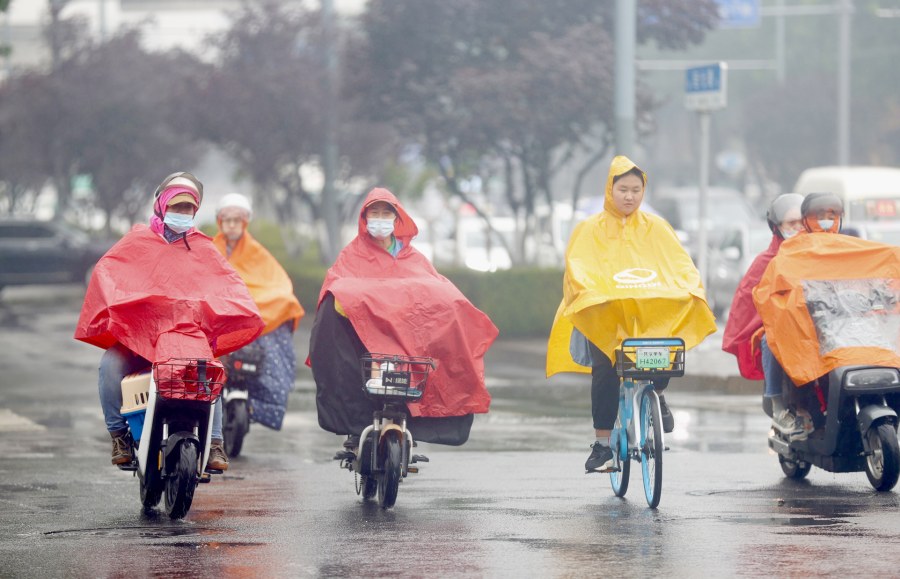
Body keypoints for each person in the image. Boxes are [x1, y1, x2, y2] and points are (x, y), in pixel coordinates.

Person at [75, 172, 264, 471]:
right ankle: (119, 436)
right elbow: (108, 272)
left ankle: (215, 443)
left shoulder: (203, 248)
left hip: (186, 343)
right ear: (161, 206)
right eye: (177, 207)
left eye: (188, 208)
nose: (182, 213)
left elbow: (227, 285)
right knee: (110, 365)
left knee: (212, 373)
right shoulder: (137, 242)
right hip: (140, 342)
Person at [546, 156, 717, 473]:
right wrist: (592, 294)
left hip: (649, 316)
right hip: (606, 317)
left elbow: (680, 266)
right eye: (623, 188)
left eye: (635, 189)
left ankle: (659, 394)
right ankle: (602, 443)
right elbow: (578, 269)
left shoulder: (658, 228)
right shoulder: (588, 229)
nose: (629, 196)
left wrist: (691, 288)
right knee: (605, 370)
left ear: (643, 191)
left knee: (666, 348)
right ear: (609, 189)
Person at [308, 187, 499, 453]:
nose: (380, 218)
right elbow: (339, 286)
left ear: (396, 219)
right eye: (374, 213)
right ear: (364, 219)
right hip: (366, 344)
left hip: (407, 346)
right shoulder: (351, 256)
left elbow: (432, 289)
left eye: (386, 213)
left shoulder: (414, 258)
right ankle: (354, 427)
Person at [753, 192, 848, 440]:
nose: (826, 222)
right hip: (796, 325)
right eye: (820, 216)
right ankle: (780, 407)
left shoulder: (849, 246)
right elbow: (762, 294)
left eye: (832, 216)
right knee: (771, 340)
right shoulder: (790, 251)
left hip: (837, 322)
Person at [212, 193, 305, 431]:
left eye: (237, 220)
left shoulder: (256, 251)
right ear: (220, 222)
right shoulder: (210, 250)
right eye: (227, 220)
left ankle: (261, 404)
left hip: (253, 312)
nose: (232, 225)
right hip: (220, 314)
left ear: (245, 223)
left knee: (281, 311)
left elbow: (276, 283)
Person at [722, 193, 804, 421]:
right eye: (791, 223)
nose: (797, 228)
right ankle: (776, 400)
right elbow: (747, 301)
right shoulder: (766, 261)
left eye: (801, 222)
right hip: (785, 329)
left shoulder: (818, 254)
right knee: (770, 340)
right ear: (777, 227)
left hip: (818, 325)